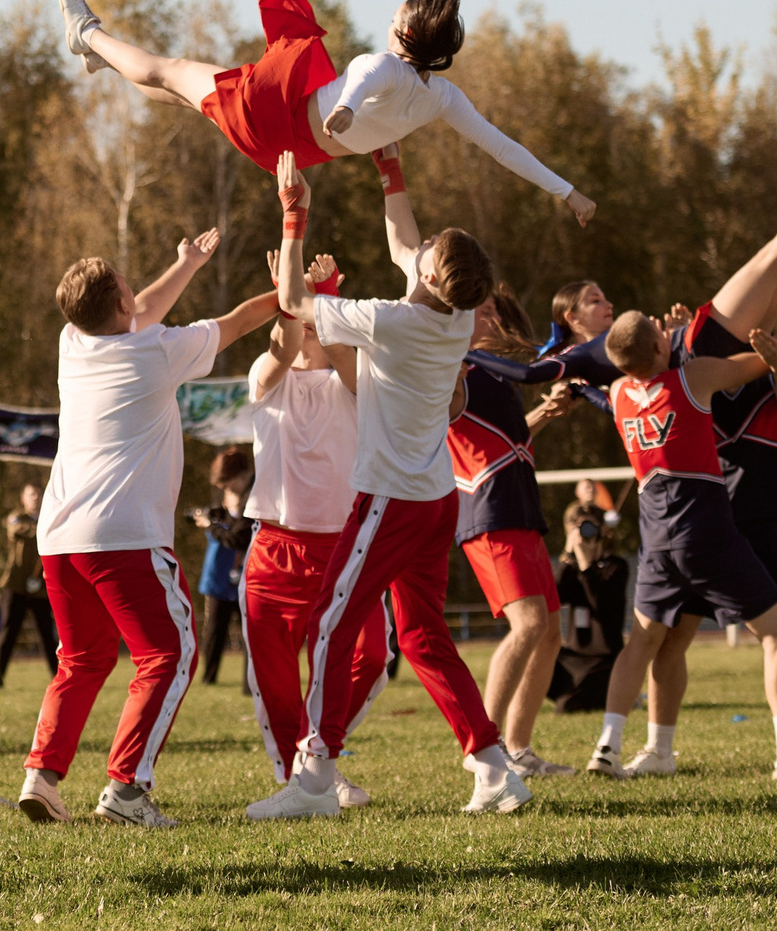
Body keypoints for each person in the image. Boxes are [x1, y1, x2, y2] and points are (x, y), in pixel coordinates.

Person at [469, 98, 777, 776]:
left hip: (670, 509)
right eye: (596, 299)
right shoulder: (627, 362)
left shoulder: (615, 381)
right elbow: (536, 370)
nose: (611, 303)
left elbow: (564, 374)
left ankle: (625, 747)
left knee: (653, 641)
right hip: (703, 443)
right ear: (577, 319)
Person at [247, 150, 528, 820]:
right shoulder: (450, 314)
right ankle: (493, 767)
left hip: (391, 501)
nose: (420, 243)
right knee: (426, 636)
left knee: (329, 623)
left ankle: (315, 776)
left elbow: (292, 301)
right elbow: (405, 237)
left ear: (430, 275)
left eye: (428, 250)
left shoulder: (394, 321)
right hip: (433, 498)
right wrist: (390, 169)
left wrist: (294, 214)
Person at [18, 238, 278, 827]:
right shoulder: (157, 351)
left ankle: (42, 776)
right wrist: (291, 297)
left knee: (81, 658)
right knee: (170, 652)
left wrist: (186, 264)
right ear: (122, 301)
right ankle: (127, 790)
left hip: (59, 534)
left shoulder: (71, 342)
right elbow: (237, 322)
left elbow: (134, 314)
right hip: (122, 533)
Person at [60, 0, 594, 224]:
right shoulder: (445, 99)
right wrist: (567, 193)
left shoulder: (385, 65)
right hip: (288, 152)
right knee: (184, 95)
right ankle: (104, 62)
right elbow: (502, 148)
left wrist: (345, 111)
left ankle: (88, 35)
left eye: (391, 21)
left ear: (404, 33)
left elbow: (363, 76)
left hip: (271, 113)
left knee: (171, 70)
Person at [590, 309, 777, 780]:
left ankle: (608, 748)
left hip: (656, 542)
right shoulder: (693, 377)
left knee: (643, 644)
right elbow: (765, 358)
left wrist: (655, 341)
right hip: (707, 534)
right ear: (659, 347)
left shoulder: (617, 394)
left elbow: (621, 366)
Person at [240, 251, 390, 805]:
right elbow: (280, 348)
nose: (306, 327)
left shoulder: (357, 375)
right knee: (277, 683)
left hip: (347, 547)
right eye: (298, 311)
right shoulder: (265, 377)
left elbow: (340, 357)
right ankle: (299, 782)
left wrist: (319, 297)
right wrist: (293, 291)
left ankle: (318, 757)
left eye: (314, 314)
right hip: (277, 548)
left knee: (371, 658)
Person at [453, 292, 587, 778]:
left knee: (550, 633)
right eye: (481, 310)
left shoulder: (494, 372)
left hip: (520, 508)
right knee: (528, 624)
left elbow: (510, 441)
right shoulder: (453, 368)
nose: (492, 317)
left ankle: (519, 749)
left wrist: (547, 413)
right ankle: (482, 750)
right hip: (488, 513)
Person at [547, 506, 632, 713]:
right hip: (573, 655)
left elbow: (601, 605)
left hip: (604, 657)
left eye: (590, 527)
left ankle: (620, 693)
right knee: (535, 657)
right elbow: (554, 598)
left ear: (601, 530)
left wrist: (586, 565)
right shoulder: (572, 567)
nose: (586, 534)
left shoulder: (616, 566)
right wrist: (568, 555)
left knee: (568, 707)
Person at [193, 449, 255, 687]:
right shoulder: (226, 501)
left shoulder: (254, 496)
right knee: (213, 632)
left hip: (247, 576)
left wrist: (212, 526)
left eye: (228, 485)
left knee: (250, 633)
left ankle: (250, 683)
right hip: (220, 578)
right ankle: (209, 678)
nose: (227, 491)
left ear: (240, 477)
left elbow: (239, 537)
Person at [0, 482, 56, 690]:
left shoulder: (50, 517)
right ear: (23, 499)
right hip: (15, 586)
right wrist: (43, 527)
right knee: (8, 631)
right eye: (31, 494)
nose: (35, 498)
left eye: (38, 494)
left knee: (48, 634)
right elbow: (16, 530)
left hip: (40, 588)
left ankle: (57, 677)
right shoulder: (17, 518)